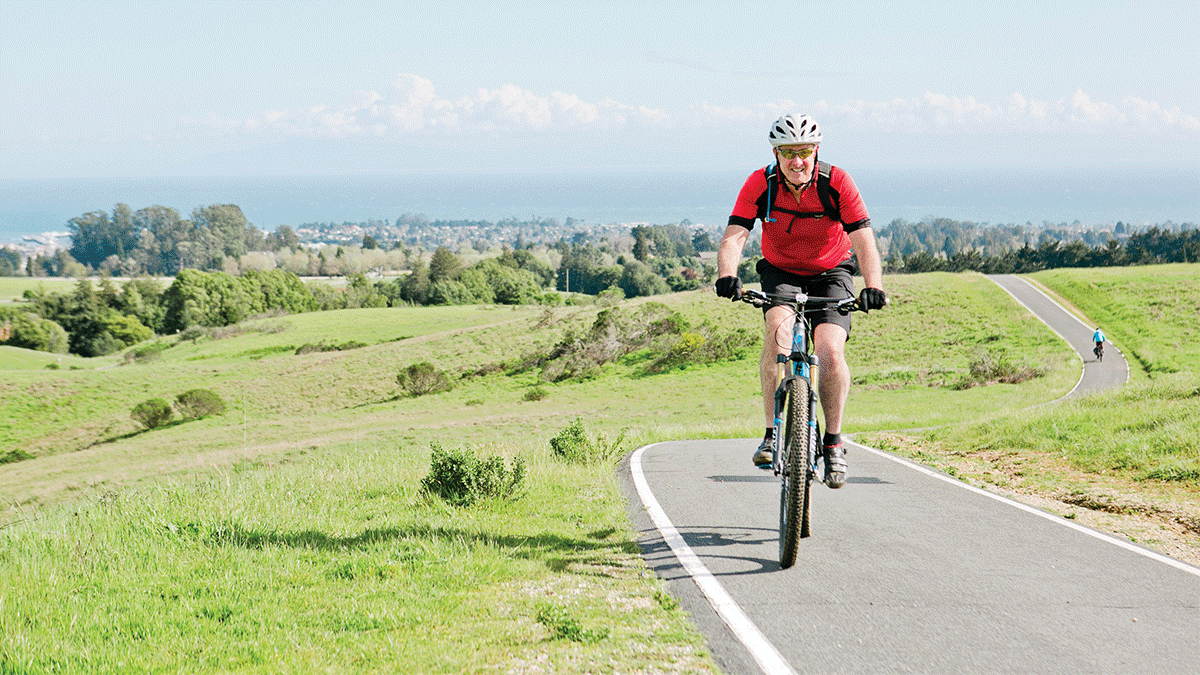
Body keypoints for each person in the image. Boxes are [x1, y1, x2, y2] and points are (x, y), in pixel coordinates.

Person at [714, 113, 887, 488]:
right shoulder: (761, 184)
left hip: (832, 272)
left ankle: (834, 442)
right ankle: (771, 433)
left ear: (816, 151)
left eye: (805, 152)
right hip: (781, 273)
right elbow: (735, 236)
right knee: (778, 332)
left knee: (830, 351)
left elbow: (862, 239)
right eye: (788, 152)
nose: (797, 161)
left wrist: (872, 285)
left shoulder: (837, 182)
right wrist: (728, 275)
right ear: (776, 154)